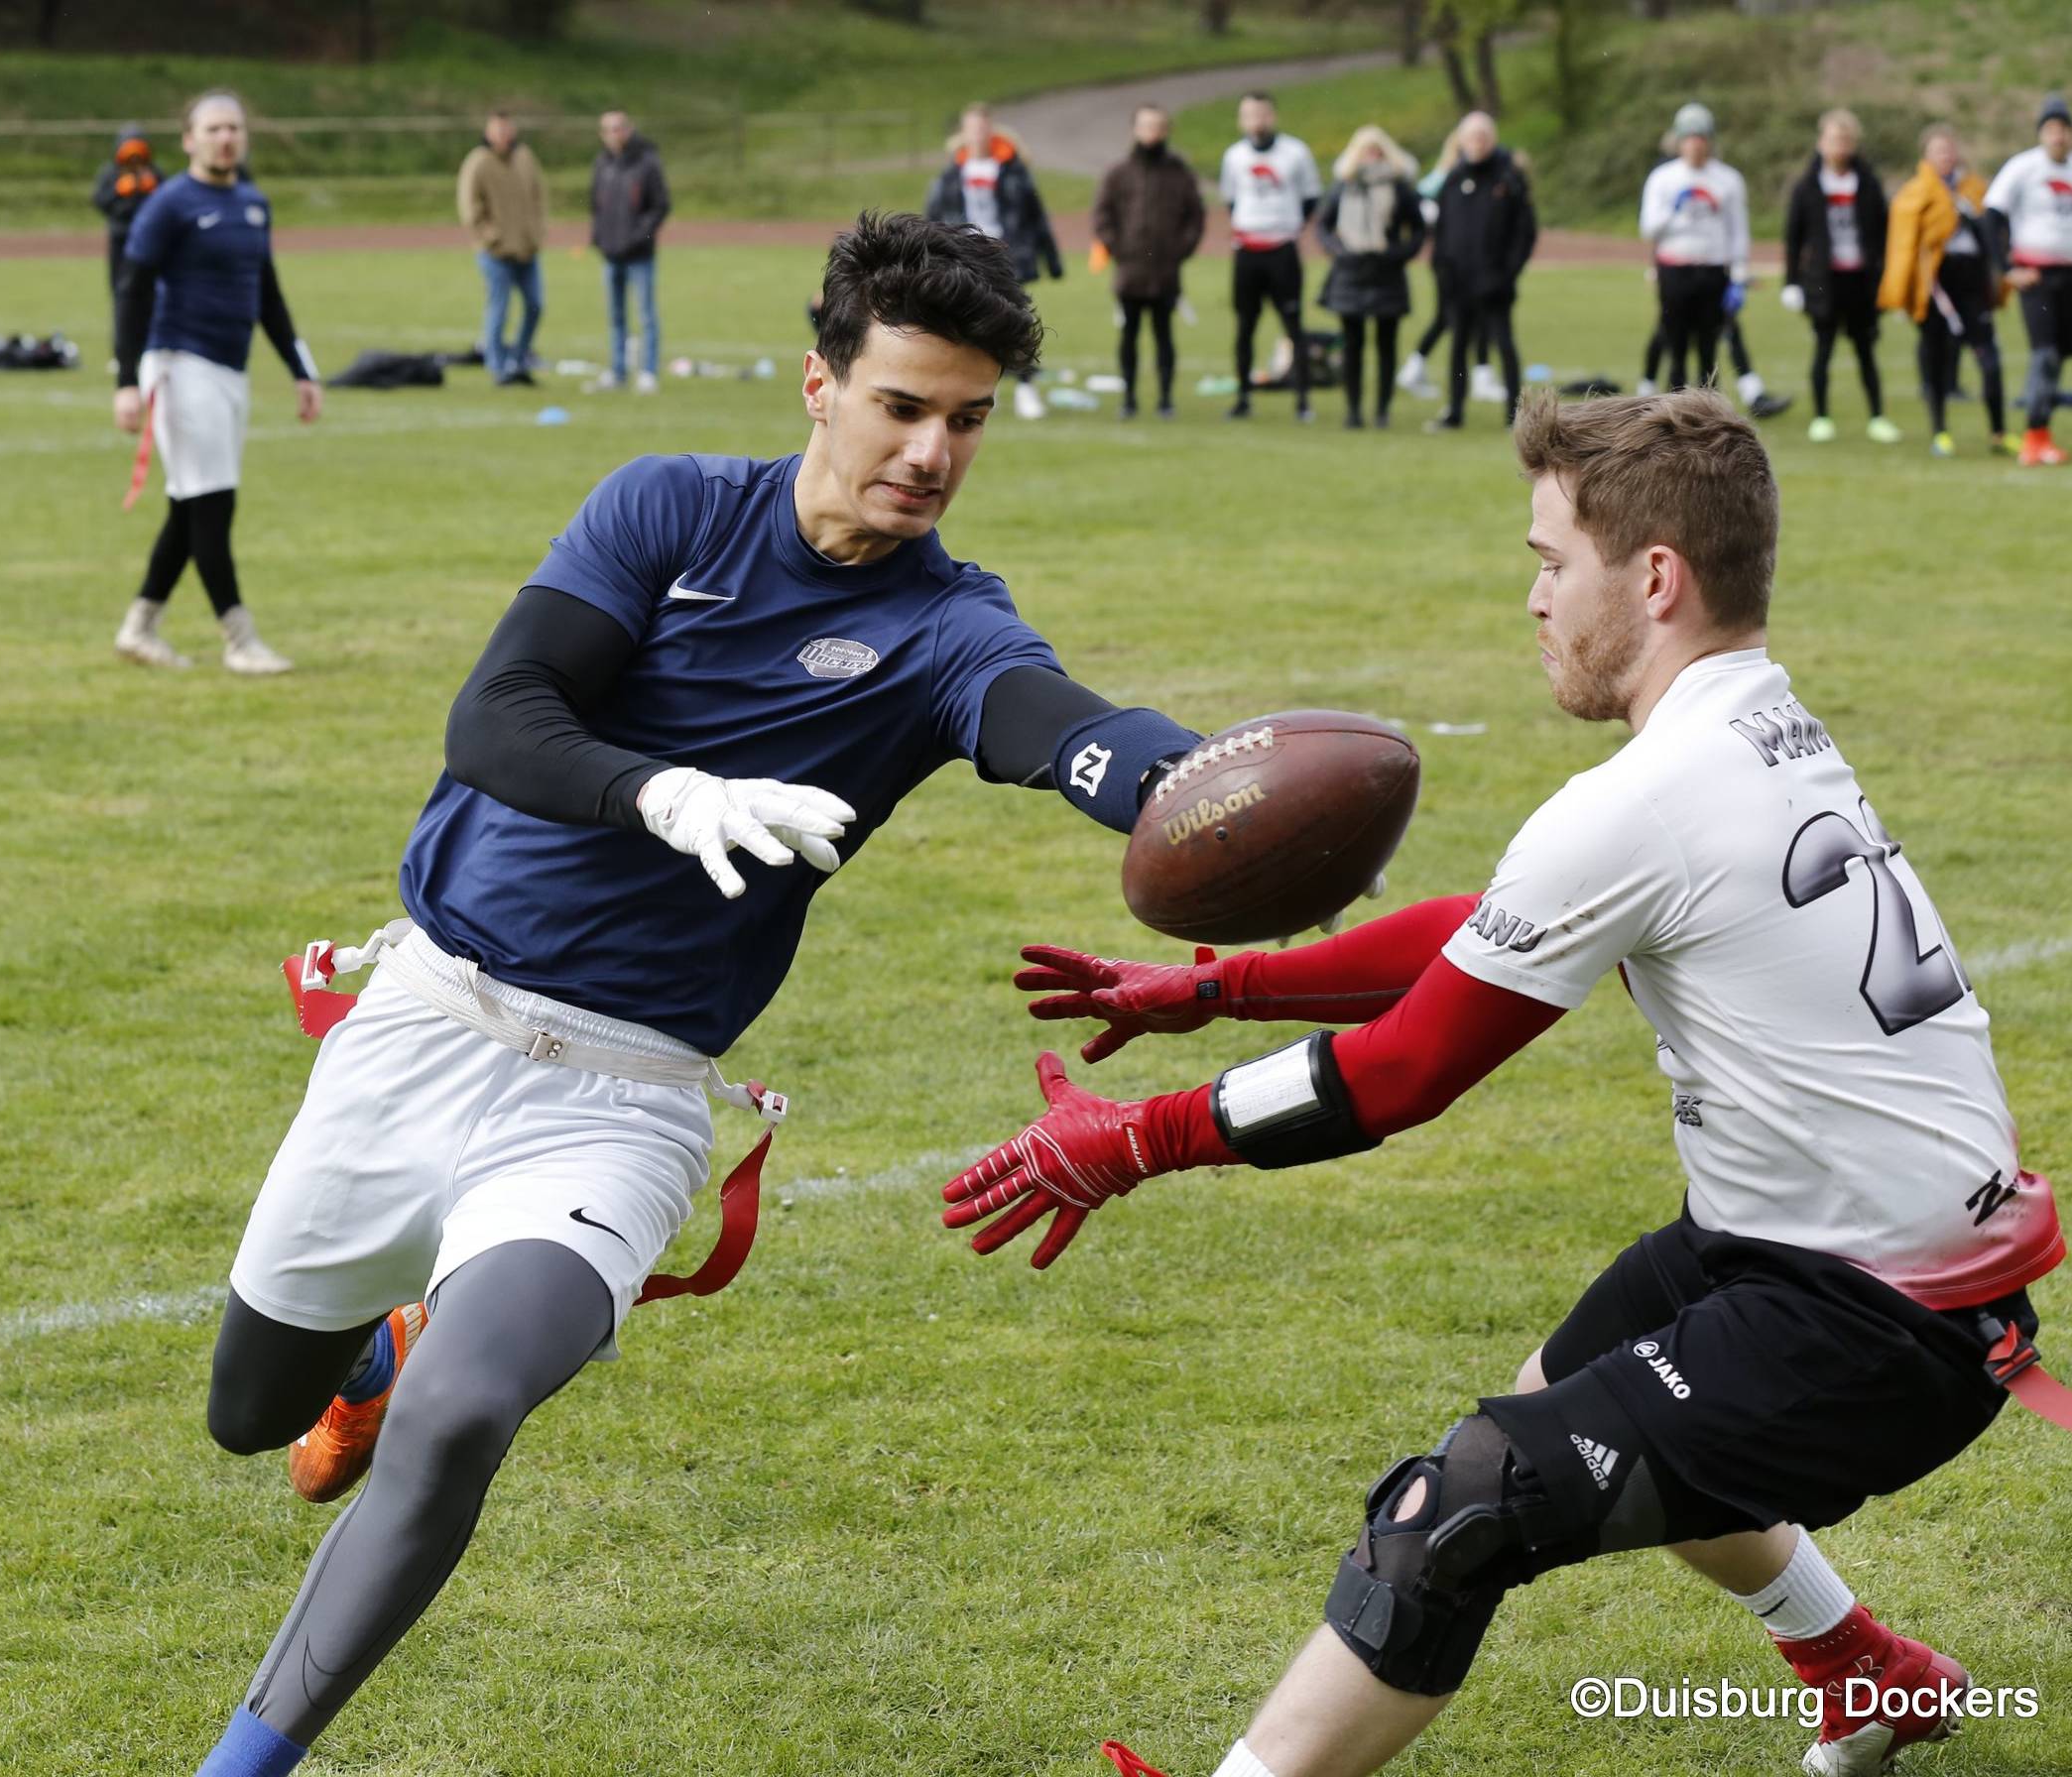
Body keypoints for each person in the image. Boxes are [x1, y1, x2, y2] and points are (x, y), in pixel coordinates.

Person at [183, 212, 1214, 1777]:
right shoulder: (668, 510)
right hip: (426, 1023)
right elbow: (498, 717)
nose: (933, 452)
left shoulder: (948, 628)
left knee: (467, 1416)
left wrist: (1200, 786)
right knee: (252, 1413)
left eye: (968, 421)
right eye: (902, 406)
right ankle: (374, 1357)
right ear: (818, 383)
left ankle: (242, 1763)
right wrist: (664, 793)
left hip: (621, 1099)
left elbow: (1058, 722)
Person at [945, 386, 2064, 1777]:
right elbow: (1488, 930)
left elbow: (1407, 1070)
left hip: (1872, 1319)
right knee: (1571, 1397)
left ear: (1652, 578)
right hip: (1816, 1246)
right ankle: (1866, 1673)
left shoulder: (1644, 800)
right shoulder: (1750, 731)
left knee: (1452, 1512)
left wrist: (1134, 1142)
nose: (1533, 600)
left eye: (1551, 564)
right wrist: (1221, 987)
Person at [108, 89, 319, 676]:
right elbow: (133, 291)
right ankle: (239, 639)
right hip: (180, 364)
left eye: (234, 128)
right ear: (189, 139)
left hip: (230, 370)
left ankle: (139, 627)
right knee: (212, 503)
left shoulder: (253, 203)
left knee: (190, 504)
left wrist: (302, 371)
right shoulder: (170, 204)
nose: (226, 137)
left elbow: (269, 297)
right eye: (214, 128)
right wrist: (128, 379)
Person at [1985, 94, 2072, 465]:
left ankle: (2041, 432)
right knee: (2045, 352)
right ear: (2041, 133)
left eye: (2064, 129)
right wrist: (2006, 269)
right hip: (2036, 276)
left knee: (2062, 353)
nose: (2058, 136)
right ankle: (2036, 436)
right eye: (2051, 129)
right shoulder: (2022, 168)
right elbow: (1990, 218)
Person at [1881, 123, 2011, 458]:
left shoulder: (1975, 190)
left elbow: (1995, 232)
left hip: (1971, 283)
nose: (1947, 156)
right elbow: (1905, 246)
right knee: (1936, 358)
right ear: (1926, 156)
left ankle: (1999, 432)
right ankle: (1940, 431)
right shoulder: (1915, 193)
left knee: (1989, 358)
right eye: (1939, 151)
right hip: (1936, 286)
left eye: (1951, 149)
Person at [927, 102, 1062, 418]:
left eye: (983, 127)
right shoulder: (951, 174)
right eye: (972, 128)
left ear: (992, 130)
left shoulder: (1013, 169)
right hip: (965, 256)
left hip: (1007, 256)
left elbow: (1035, 215)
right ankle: (983, 388)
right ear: (963, 133)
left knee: (1016, 322)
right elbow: (934, 218)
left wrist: (1051, 258)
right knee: (970, 324)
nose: (978, 134)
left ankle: (1026, 387)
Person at [1780, 109, 1897, 444]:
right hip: (1824, 282)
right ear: (1821, 143)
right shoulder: (1807, 186)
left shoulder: (1868, 183)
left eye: (1846, 140)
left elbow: (1883, 232)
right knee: (1823, 349)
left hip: (1860, 281)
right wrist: (1791, 282)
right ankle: (1821, 417)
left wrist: (1886, 278)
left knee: (1866, 351)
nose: (1840, 146)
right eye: (1834, 139)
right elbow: (1793, 237)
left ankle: (1877, 417)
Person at [1092, 102, 1206, 420]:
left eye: (1158, 126)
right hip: (1129, 273)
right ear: (1135, 130)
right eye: (1145, 125)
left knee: (1164, 335)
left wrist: (1179, 250)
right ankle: (1128, 397)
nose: (1152, 132)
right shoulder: (1118, 173)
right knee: (1129, 334)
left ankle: (1166, 398)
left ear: (1166, 130)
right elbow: (1102, 216)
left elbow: (1195, 217)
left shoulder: (1179, 173)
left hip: (1166, 273)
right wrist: (1119, 249)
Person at [1423, 111, 1533, 432]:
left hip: (1494, 281)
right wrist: (1440, 267)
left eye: (1483, 136)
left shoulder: (1508, 178)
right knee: (1458, 345)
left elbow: (1524, 233)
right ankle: (1455, 409)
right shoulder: (1454, 177)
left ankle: (1515, 415)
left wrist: (1507, 273)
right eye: (1471, 137)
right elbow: (1442, 229)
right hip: (1457, 280)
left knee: (1504, 344)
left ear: (1492, 139)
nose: (1477, 143)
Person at [1218, 91, 1323, 421]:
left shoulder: (1295, 153)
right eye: (1249, 115)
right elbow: (1231, 200)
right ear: (1241, 119)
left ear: (1272, 116)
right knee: (1245, 326)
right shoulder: (1234, 156)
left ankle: (1303, 400)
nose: (1256, 121)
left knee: (1293, 324)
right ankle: (1243, 398)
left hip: (1283, 251)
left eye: (1261, 114)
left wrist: (1286, 227)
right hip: (1248, 252)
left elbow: (1310, 198)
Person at [1315, 125, 1427, 429]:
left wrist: (1399, 254)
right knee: (1352, 345)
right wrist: (1339, 250)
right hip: (1350, 272)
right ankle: (1353, 410)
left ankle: (1382, 410)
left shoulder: (1399, 187)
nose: (1372, 156)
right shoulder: (1344, 185)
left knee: (1386, 344)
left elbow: (1418, 228)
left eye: (1377, 150)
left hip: (1386, 273)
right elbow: (1322, 225)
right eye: (1366, 150)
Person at [1641, 103, 1751, 393]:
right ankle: (1672, 420)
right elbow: (1648, 227)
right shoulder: (1663, 178)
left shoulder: (1728, 179)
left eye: (1701, 138)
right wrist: (1673, 211)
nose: (1695, 145)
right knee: (1676, 348)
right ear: (1679, 141)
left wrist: (1738, 277)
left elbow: (1738, 230)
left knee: (1708, 350)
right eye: (1689, 138)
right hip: (1675, 270)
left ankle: (1707, 422)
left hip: (1712, 271)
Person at [457, 111, 548, 387]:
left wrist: (536, 232)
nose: (504, 136)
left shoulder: (525, 158)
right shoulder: (478, 162)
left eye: (507, 130)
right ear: (488, 133)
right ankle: (496, 366)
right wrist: (490, 238)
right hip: (495, 253)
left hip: (526, 249)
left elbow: (538, 195)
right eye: (498, 131)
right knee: (499, 308)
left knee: (534, 305)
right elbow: (469, 207)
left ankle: (519, 357)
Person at [588, 108, 670, 394]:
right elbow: (596, 206)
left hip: (639, 255)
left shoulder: (647, 162)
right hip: (611, 254)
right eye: (609, 129)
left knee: (646, 314)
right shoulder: (602, 164)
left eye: (619, 127)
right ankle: (617, 371)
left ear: (630, 128)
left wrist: (639, 236)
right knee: (615, 316)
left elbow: (660, 205)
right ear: (602, 134)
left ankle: (647, 372)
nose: (615, 133)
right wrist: (599, 237)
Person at [92, 123, 161, 309]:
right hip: (120, 236)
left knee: (151, 285)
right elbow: (99, 201)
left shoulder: (154, 173)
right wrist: (118, 191)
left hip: (149, 236)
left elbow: (169, 204)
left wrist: (154, 190)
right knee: (120, 285)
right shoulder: (111, 173)